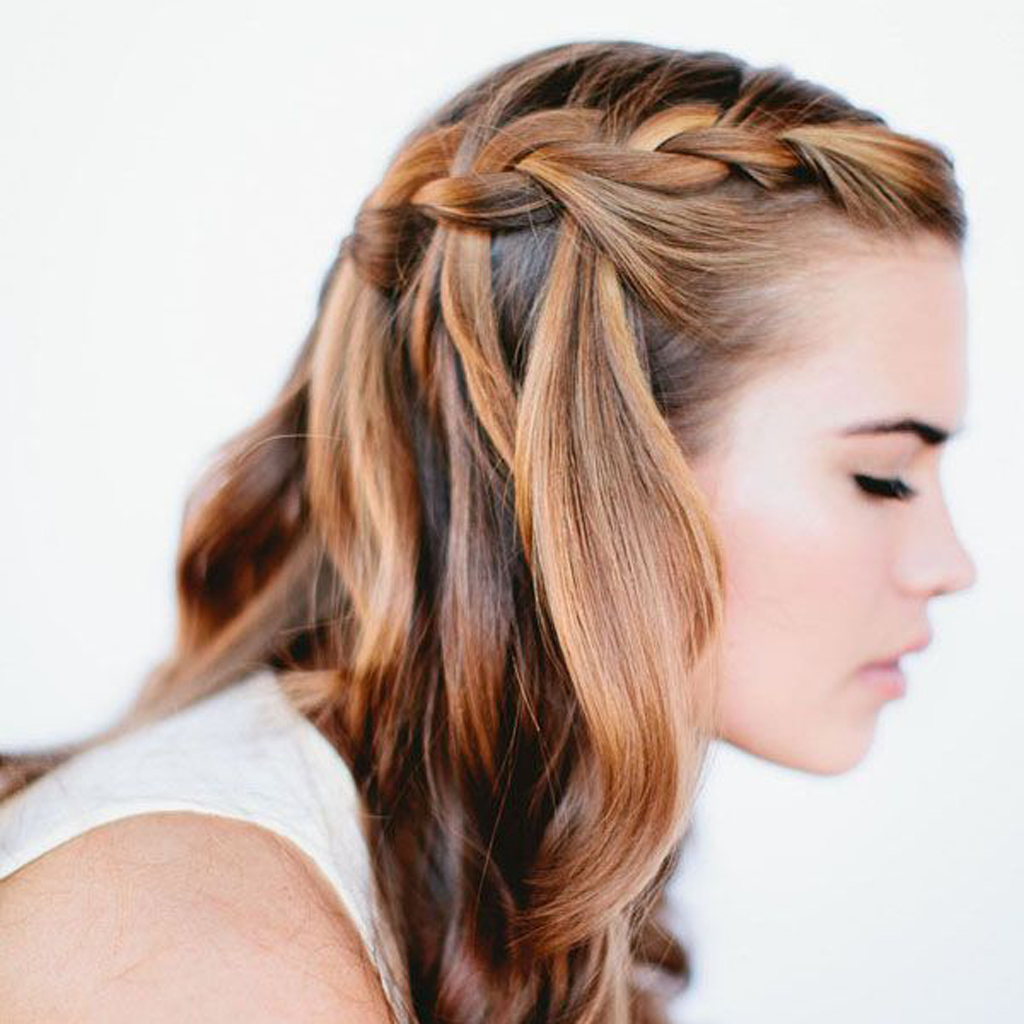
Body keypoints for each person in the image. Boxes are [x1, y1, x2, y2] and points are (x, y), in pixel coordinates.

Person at [0, 38, 976, 1024]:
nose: (952, 564)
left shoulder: (488, 865)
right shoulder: (189, 951)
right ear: (602, 469)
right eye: (881, 476)